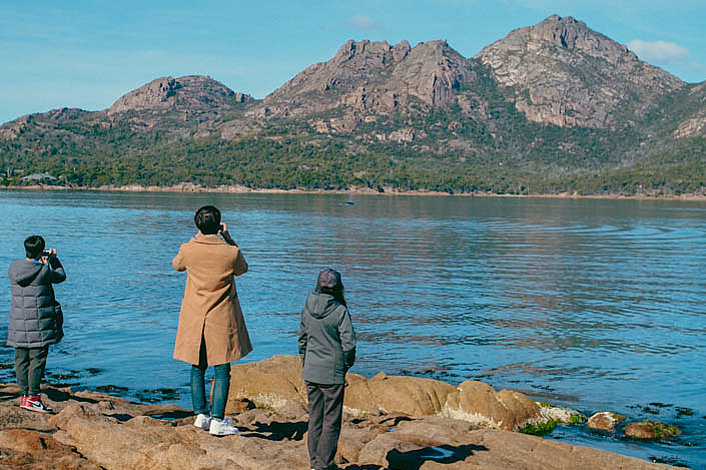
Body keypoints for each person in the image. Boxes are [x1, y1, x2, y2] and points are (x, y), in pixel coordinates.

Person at [172, 205, 251, 436]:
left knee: (197, 366)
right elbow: (242, 268)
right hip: (221, 316)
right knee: (222, 369)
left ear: (197, 225)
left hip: (195, 315)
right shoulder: (230, 252)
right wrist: (227, 237)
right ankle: (218, 419)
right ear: (218, 226)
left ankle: (201, 415)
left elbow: (177, 265)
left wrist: (194, 239)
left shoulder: (188, 249)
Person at [298, 268, 356, 470]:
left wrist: (306, 364)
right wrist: (346, 365)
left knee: (315, 418)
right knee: (331, 421)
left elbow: (302, 341)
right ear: (338, 287)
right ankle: (323, 464)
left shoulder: (307, 306)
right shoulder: (340, 311)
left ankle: (315, 462)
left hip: (311, 371)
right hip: (332, 374)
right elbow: (349, 345)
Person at [7, 235, 66, 413]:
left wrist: (41, 261)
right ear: (41, 250)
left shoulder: (13, 268)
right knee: (37, 361)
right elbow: (61, 276)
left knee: (21, 360)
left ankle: (24, 396)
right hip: (39, 325)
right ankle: (33, 397)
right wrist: (53, 260)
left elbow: (31, 272)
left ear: (25, 249)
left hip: (18, 323)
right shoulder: (43, 270)